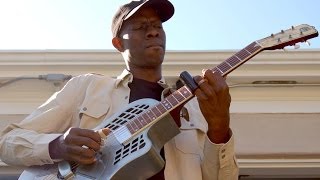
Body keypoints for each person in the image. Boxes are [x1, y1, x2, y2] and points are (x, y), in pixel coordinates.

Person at [0, 0, 239, 179]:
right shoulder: (86, 87)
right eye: (140, 27)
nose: (153, 31)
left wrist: (219, 128)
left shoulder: (196, 107)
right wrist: (57, 145)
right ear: (118, 43)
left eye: (157, 26)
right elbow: (8, 142)